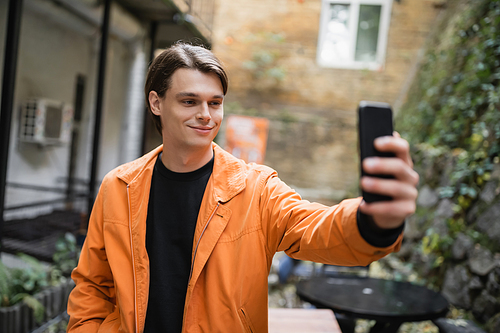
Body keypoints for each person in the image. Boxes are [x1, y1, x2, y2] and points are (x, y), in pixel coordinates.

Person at [67, 42, 419, 333]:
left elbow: (317, 229)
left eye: (215, 103)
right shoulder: (119, 186)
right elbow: (92, 285)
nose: (206, 114)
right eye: (190, 101)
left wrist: (373, 220)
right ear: (156, 103)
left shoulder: (256, 188)